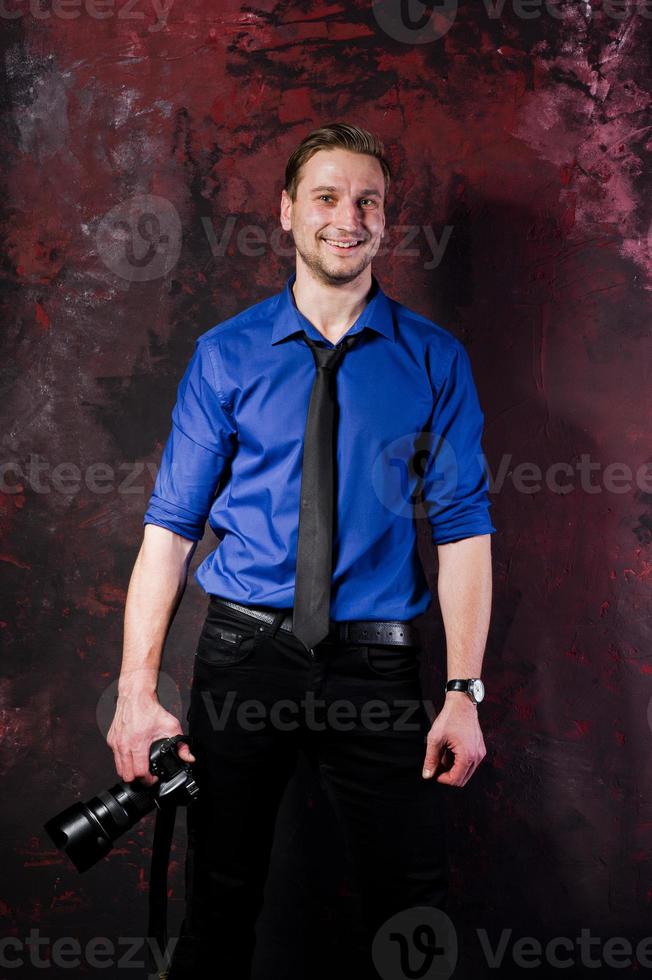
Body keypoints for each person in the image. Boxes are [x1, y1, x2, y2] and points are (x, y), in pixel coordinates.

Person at [107, 122, 496, 979]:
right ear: (287, 212)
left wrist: (463, 690)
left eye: (368, 201)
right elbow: (169, 532)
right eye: (326, 196)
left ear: (387, 222)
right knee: (220, 900)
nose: (346, 217)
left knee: (414, 908)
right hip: (245, 656)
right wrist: (138, 691)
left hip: (378, 665)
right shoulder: (226, 356)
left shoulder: (434, 360)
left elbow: (463, 529)